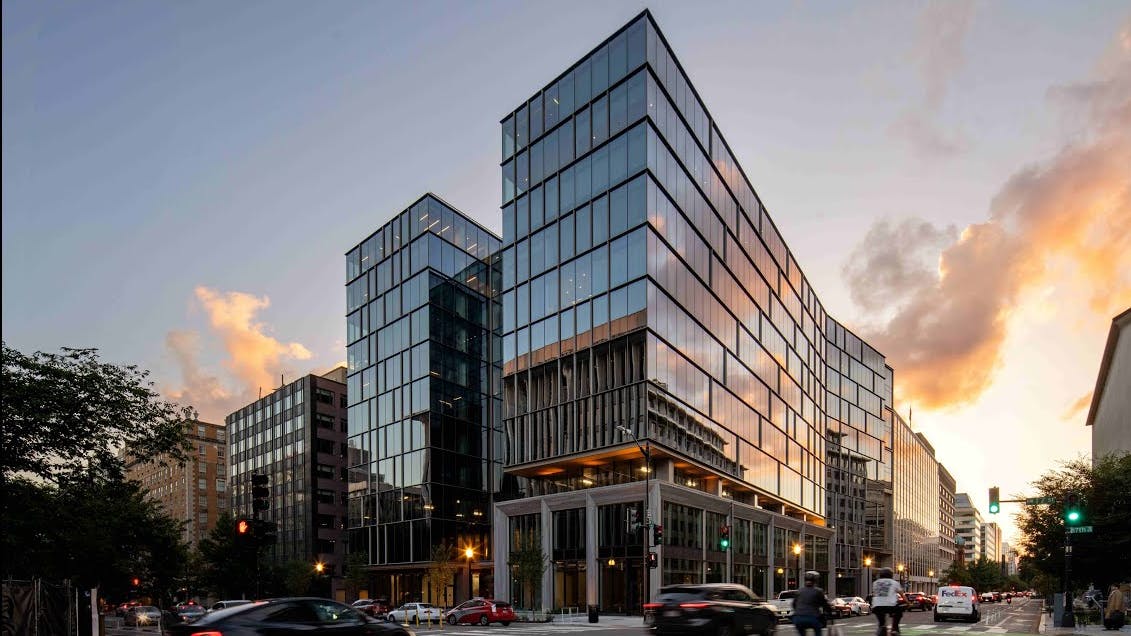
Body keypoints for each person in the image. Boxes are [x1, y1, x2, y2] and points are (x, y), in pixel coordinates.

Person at [792, 570, 833, 636]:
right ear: (815, 581)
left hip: (798, 618)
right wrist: (830, 614)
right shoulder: (818, 591)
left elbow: (794, 604)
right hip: (812, 618)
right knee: (818, 630)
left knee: (801, 632)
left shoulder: (799, 591)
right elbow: (825, 605)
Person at [871, 567, 904, 636]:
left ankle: (881, 627)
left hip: (877, 606)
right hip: (891, 606)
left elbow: (874, 594)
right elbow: (902, 595)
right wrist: (908, 602)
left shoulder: (875, 583)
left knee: (881, 623)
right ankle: (894, 628)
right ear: (891, 575)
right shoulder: (894, 583)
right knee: (899, 612)